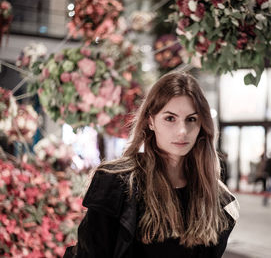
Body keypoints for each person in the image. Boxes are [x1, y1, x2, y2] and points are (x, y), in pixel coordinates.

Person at [63, 72, 239, 258]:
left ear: (202, 125)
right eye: (170, 118)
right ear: (151, 121)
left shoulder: (217, 197)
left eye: (191, 119)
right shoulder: (116, 183)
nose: (182, 131)